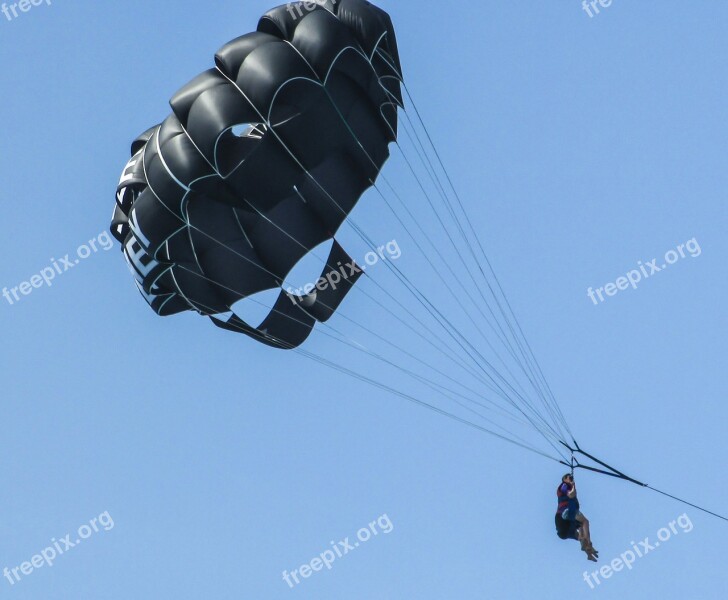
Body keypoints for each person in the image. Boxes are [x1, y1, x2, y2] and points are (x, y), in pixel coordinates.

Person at [556, 473, 598, 562]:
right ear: (565, 479)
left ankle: (588, 553)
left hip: (564, 529)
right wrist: (573, 485)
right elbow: (571, 494)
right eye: (569, 478)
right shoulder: (564, 486)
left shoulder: (568, 486)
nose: (571, 479)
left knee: (580, 531)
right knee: (585, 522)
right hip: (566, 512)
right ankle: (589, 542)